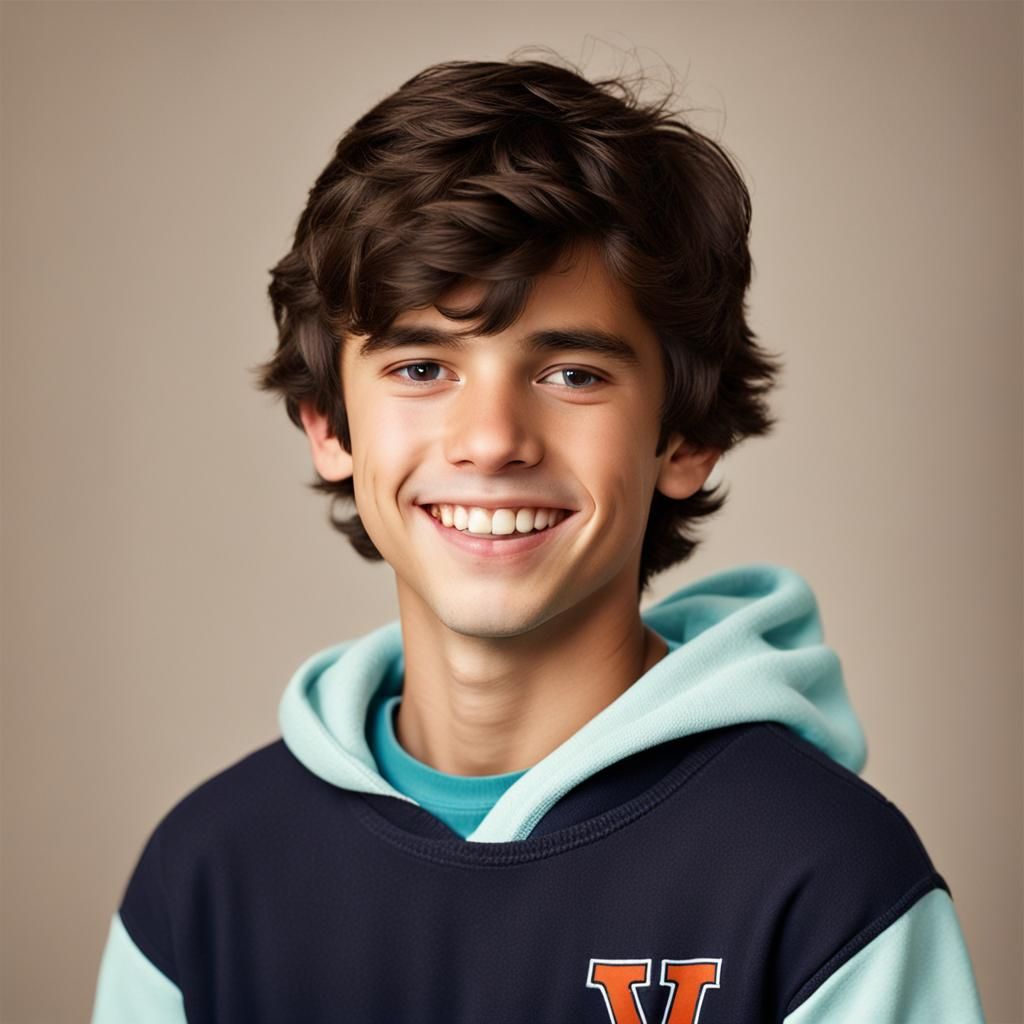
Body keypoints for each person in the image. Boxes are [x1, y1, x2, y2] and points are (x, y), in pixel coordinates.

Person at [90, 54, 986, 1023]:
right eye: (423, 366)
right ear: (327, 423)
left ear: (686, 438)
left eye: (571, 374)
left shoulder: (831, 886)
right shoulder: (203, 881)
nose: (491, 441)